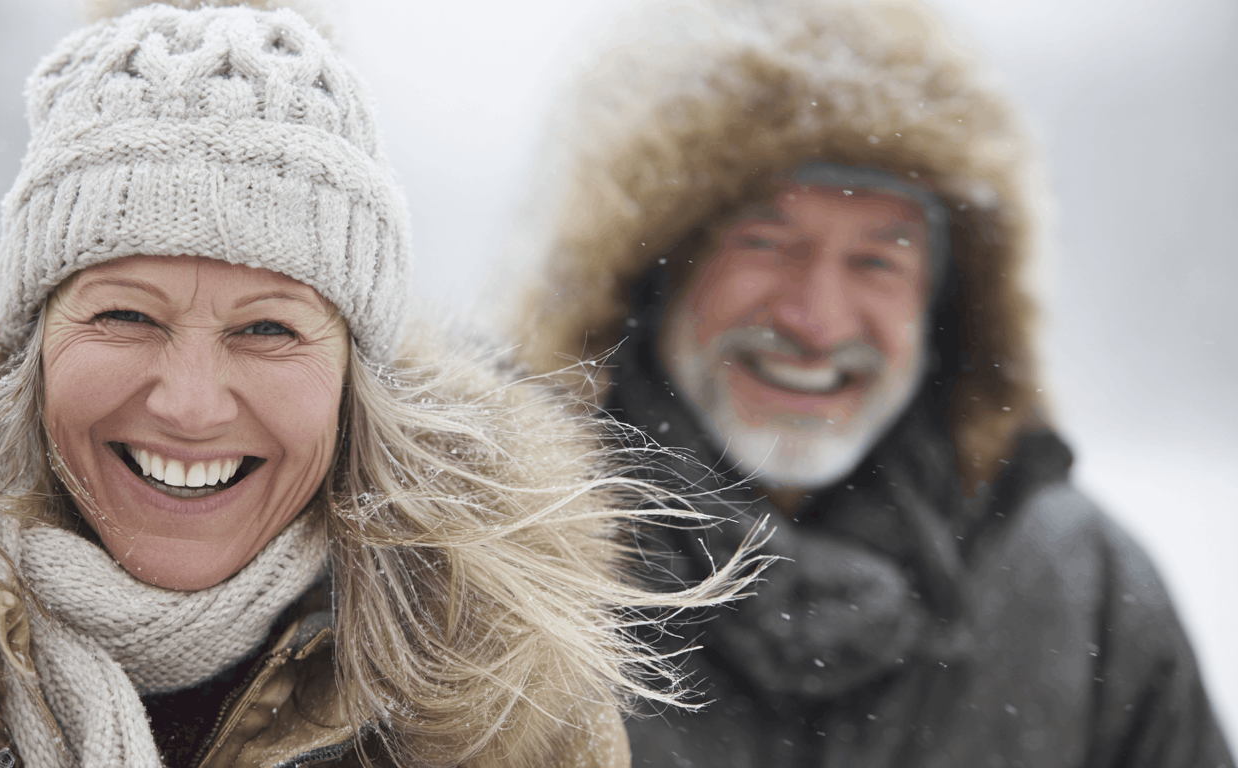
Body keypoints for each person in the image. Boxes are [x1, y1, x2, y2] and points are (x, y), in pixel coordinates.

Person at [0, 2, 755, 767]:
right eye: (124, 315)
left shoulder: (513, 735)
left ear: (353, 386)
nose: (192, 403)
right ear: (29, 349)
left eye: (268, 329)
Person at [507, 0, 1235, 765]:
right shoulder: (507, 576)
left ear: (948, 305)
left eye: (877, 259)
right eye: (767, 241)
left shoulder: (1083, 594)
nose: (816, 322)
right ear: (651, 271)